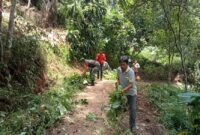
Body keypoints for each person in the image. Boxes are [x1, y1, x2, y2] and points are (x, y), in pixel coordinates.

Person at [116, 56, 138, 132]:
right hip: (123, 92)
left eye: (123, 64)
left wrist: (122, 91)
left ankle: (133, 126)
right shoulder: (119, 69)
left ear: (127, 64)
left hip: (131, 93)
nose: (122, 66)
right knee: (121, 106)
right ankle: (119, 117)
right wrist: (118, 85)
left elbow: (131, 84)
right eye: (120, 64)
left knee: (133, 109)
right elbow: (118, 78)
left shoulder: (131, 72)